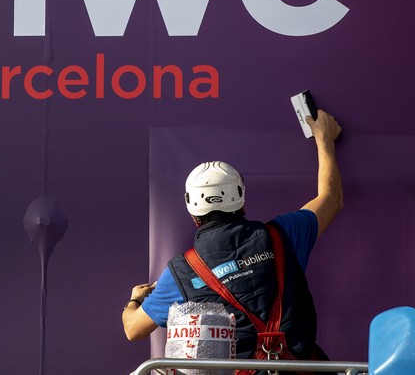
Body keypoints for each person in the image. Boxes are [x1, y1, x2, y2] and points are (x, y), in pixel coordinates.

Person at [122, 110, 342, 367]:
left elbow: (133, 329)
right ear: (242, 203)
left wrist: (136, 299)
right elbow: (331, 198)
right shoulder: (282, 235)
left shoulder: (182, 272)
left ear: (193, 214)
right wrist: (324, 138)